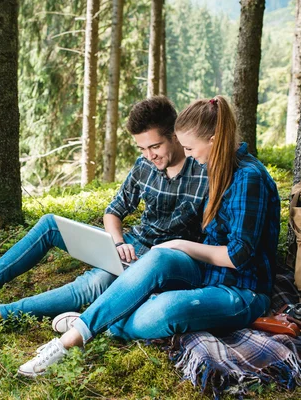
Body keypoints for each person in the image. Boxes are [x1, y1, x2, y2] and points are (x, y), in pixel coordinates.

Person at [17, 95, 281, 377]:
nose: (188, 154)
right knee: (159, 257)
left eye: (190, 147)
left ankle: (82, 327)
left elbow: (239, 255)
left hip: (243, 290)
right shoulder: (217, 166)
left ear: (214, 141)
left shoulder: (247, 177)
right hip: (208, 274)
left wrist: (180, 243)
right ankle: (77, 335)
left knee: (164, 311)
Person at [0, 96, 208, 335]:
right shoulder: (144, 166)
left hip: (165, 262)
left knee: (89, 286)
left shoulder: (203, 170)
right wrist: (118, 243)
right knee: (51, 224)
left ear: (176, 136)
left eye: (155, 146)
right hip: (130, 249)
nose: (149, 155)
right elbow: (113, 212)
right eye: (142, 148)